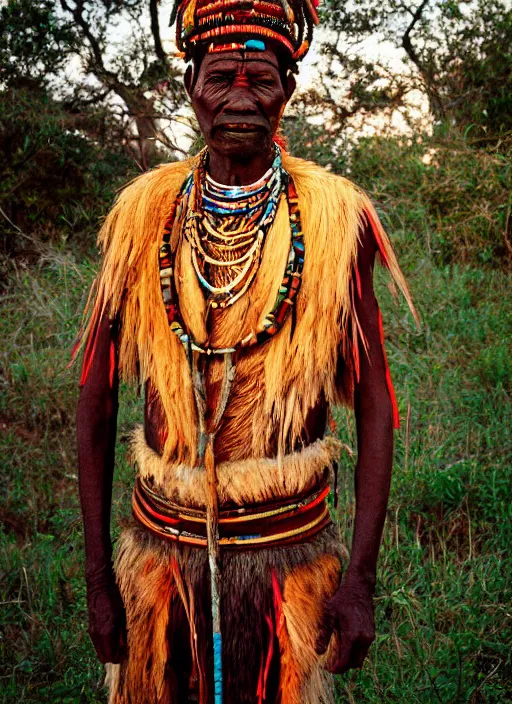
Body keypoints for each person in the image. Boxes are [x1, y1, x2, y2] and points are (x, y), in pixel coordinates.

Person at [75, 1, 416, 702]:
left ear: (288, 90)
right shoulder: (143, 217)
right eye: (220, 77)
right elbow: (98, 397)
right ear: (190, 83)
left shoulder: (334, 221)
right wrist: (98, 580)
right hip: (158, 563)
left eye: (259, 79)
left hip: (289, 566)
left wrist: (360, 579)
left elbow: (378, 404)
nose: (239, 99)